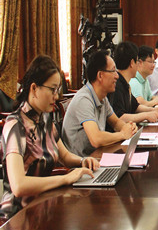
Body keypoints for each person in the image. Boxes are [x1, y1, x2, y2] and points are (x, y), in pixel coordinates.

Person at [0, 56, 99, 219]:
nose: (56, 96)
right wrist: (65, 179)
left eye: (57, 90)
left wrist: (83, 161)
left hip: (42, 206)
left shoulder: (45, 119)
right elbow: (18, 186)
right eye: (52, 90)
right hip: (18, 216)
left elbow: (65, 156)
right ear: (34, 88)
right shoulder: (15, 125)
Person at [62, 50, 137, 157]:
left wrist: (129, 128)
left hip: (96, 156)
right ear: (100, 75)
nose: (117, 76)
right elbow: (96, 139)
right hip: (82, 162)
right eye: (113, 71)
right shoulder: (84, 100)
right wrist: (122, 134)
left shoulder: (102, 98)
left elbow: (116, 123)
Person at [107, 41, 158, 130]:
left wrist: (153, 110)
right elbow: (120, 117)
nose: (138, 65)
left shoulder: (125, 83)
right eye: (137, 61)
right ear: (132, 63)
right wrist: (145, 115)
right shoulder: (116, 85)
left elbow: (135, 107)